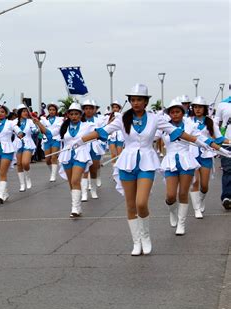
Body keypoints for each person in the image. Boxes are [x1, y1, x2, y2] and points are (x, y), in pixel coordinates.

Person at [73, 84, 221, 256]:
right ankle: (136, 242)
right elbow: (102, 132)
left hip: (147, 162)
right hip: (127, 162)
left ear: (146, 101)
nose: (135, 103)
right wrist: (79, 141)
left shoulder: (155, 118)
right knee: (130, 205)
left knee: (141, 203)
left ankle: (145, 236)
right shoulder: (123, 119)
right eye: (133, 100)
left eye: (139, 100)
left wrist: (202, 142)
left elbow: (178, 132)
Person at [34, 103, 93, 217]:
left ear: (81, 115)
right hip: (66, 156)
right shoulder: (64, 127)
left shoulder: (87, 126)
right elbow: (49, 134)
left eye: (76, 114)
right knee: (71, 182)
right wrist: (38, 123)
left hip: (81, 155)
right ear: (68, 115)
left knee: (76, 180)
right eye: (72, 114)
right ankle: (77, 206)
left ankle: (74, 208)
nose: (74, 116)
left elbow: (100, 132)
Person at [160, 98, 202, 235]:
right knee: (171, 196)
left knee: (183, 193)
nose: (175, 114)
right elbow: (149, 136)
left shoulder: (190, 126)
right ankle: (172, 210)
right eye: (172, 112)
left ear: (182, 112)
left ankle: (181, 224)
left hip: (186, 160)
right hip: (170, 161)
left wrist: (214, 145)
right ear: (169, 114)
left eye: (178, 111)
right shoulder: (164, 126)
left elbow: (201, 138)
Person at [188, 96, 228, 218]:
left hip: (206, 155)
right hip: (192, 154)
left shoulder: (210, 122)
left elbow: (219, 138)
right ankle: (196, 209)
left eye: (200, 107)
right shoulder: (188, 121)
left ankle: (201, 199)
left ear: (204, 108)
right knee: (195, 182)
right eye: (195, 107)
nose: (197, 109)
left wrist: (228, 141)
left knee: (204, 186)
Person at [80, 99, 105, 201]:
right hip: (83, 147)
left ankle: (93, 190)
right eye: (86, 108)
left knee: (93, 169)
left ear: (95, 109)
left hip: (95, 147)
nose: (89, 110)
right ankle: (84, 193)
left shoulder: (99, 120)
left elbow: (104, 132)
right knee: (84, 170)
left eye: (91, 108)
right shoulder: (80, 120)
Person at [13, 104, 38, 192]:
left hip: (28, 142)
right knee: (19, 164)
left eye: (26, 111)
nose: (26, 113)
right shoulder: (14, 122)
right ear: (19, 112)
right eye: (23, 111)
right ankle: (22, 184)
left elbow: (34, 130)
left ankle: (27, 178)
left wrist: (36, 129)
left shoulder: (30, 121)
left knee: (25, 163)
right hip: (17, 143)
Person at [40, 102, 63, 182]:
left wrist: (48, 132)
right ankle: (52, 172)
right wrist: (37, 124)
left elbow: (58, 130)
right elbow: (40, 128)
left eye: (53, 110)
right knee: (47, 159)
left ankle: (53, 175)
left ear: (56, 111)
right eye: (50, 110)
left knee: (53, 157)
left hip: (55, 139)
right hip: (46, 140)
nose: (51, 111)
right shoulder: (43, 119)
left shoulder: (60, 119)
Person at [215, 99, 231, 209]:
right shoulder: (223, 105)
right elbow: (216, 123)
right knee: (228, 170)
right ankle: (227, 197)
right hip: (227, 143)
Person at [107, 100, 125, 166]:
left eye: (116, 107)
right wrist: (111, 120)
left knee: (120, 155)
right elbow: (106, 126)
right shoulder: (109, 116)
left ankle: (120, 169)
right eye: (113, 107)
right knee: (113, 154)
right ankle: (114, 170)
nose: (115, 109)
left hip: (120, 137)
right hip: (112, 137)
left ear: (119, 108)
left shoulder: (122, 116)